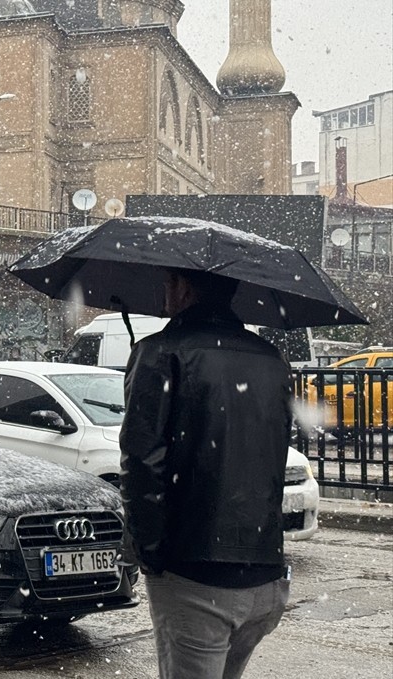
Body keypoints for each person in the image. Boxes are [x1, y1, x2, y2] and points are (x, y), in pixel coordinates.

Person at [119, 269, 293, 679]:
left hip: (194, 572)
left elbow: (142, 461)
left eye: (167, 283)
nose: (164, 291)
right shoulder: (271, 359)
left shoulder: (161, 352)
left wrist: (149, 551)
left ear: (182, 287)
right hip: (265, 573)